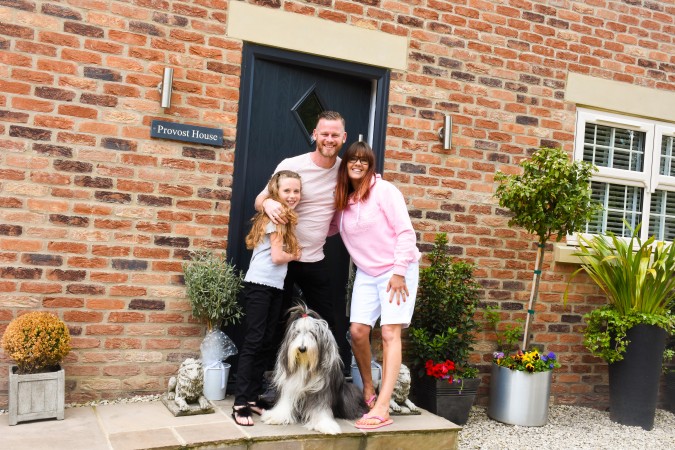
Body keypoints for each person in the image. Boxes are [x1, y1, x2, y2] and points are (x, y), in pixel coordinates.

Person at [329, 141, 421, 430]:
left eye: (364, 160)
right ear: (346, 165)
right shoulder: (344, 199)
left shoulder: (384, 191)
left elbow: (406, 232)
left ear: (370, 165)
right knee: (357, 332)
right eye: (352, 160)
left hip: (397, 271)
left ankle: (382, 407)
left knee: (390, 333)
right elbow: (327, 227)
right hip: (367, 273)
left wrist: (398, 271)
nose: (357, 164)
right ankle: (369, 388)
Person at [254, 111, 347, 332]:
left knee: (326, 324)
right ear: (315, 134)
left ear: (344, 137)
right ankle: (274, 367)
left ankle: (325, 367)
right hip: (282, 257)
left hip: (315, 258)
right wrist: (267, 204)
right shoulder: (293, 165)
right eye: (324, 133)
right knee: (274, 322)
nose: (329, 139)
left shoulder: (345, 172)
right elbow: (260, 199)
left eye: (335, 135)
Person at [232, 170, 303, 426]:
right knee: (253, 341)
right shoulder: (276, 217)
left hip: (274, 286)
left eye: (296, 191)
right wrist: (295, 255)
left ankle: (252, 398)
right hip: (259, 286)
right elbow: (276, 257)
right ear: (276, 192)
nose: (292, 195)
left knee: (265, 341)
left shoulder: (284, 216)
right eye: (287, 191)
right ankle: (240, 402)